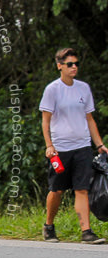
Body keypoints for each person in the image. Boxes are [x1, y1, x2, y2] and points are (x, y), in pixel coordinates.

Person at [40, 47, 107, 243]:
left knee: (82, 189)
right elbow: (45, 120)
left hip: (82, 147)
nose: (74, 67)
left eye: (76, 63)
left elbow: (90, 119)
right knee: (57, 190)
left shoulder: (83, 88)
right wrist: (49, 145)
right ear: (59, 66)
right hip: (60, 149)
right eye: (70, 64)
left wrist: (99, 144)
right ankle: (49, 226)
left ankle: (86, 232)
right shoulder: (52, 90)